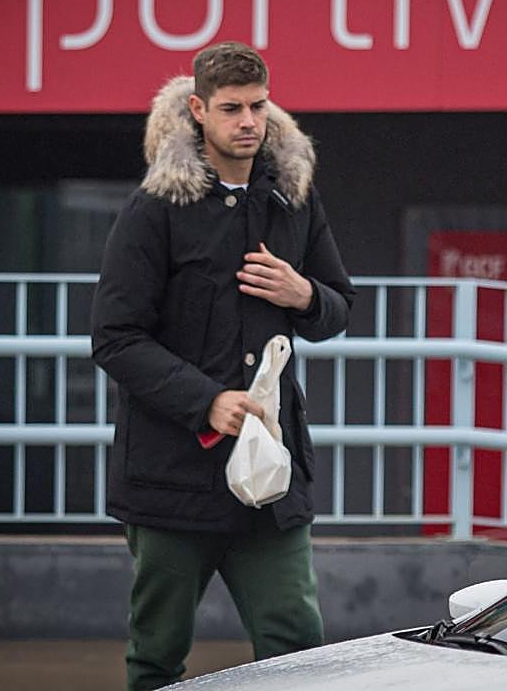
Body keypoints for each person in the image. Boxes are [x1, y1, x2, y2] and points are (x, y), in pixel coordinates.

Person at [90, 41, 355, 690]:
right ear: (198, 110)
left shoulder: (294, 200)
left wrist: (306, 296)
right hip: (169, 480)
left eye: (259, 106)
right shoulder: (155, 208)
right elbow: (114, 337)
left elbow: (339, 307)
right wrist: (205, 400)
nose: (248, 122)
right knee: (157, 659)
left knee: (300, 651)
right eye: (232, 108)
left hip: (268, 478)